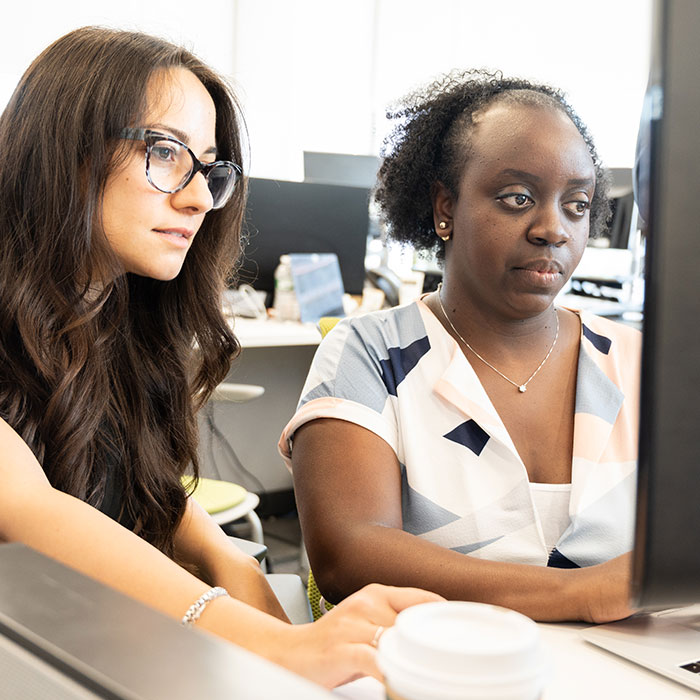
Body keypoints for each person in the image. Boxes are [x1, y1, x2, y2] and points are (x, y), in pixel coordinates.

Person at [0, 27, 440, 690]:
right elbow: (27, 508)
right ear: (65, 147)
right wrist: (261, 637)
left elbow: (133, 479)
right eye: (165, 152)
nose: (201, 197)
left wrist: (223, 555)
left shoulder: (115, 322)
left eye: (208, 168)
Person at [281, 70, 641, 624]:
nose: (554, 228)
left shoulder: (637, 362)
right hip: (442, 668)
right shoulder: (370, 352)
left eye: (577, 204)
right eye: (518, 198)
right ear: (445, 207)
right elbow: (348, 554)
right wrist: (585, 592)